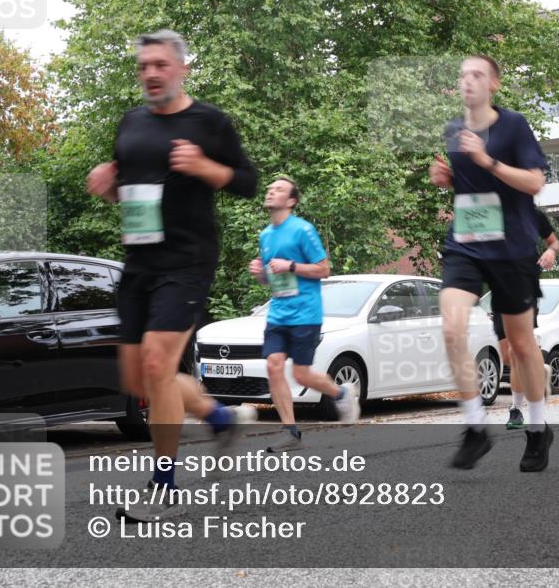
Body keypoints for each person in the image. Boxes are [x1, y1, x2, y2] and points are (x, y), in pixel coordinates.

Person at [86, 30, 259, 521]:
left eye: (160, 64)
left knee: (158, 365)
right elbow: (132, 193)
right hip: (139, 263)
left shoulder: (208, 122)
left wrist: (205, 167)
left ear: (182, 68)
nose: (151, 74)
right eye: (144, 66)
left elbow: (247, 182)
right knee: (139, 378)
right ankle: (220, 417)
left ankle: (163, 486)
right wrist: (109, 188)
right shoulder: (131, 123)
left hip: (187, 260)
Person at [429, 54, 552, 472]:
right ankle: (475, 426)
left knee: (521, 344)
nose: (468, 81)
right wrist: (449, 179)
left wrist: (487, 161)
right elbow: (471, 186)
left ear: (493, 84)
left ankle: (538, 428)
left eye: (477, 74)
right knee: (451, 328)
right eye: (463, 74)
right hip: (465, 244)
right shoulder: (454, 130)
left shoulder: (513, 125)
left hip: (512, 248)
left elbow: (535, 182)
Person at [248, 176, 359, 452]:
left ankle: (342, 393)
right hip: (277, 313)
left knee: (301, 375)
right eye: (270, 188)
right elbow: (271, 277)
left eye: (279, 190)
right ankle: (290, 433)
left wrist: (291, 266)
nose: (271, 192)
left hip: (305, 313)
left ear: (291, 201)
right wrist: (260, 274)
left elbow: (324, 269)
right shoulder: (265, 235)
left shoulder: (303, 230)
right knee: (273, 365)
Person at [498, 209, 559, 430]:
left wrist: (551, 252)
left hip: (525, 290)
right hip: (499, 293)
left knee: (516, 352)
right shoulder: (488, 213)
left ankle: (516, 409)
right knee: (508, 357)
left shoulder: (533, 215)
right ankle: (537, 368)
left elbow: (555, 243)